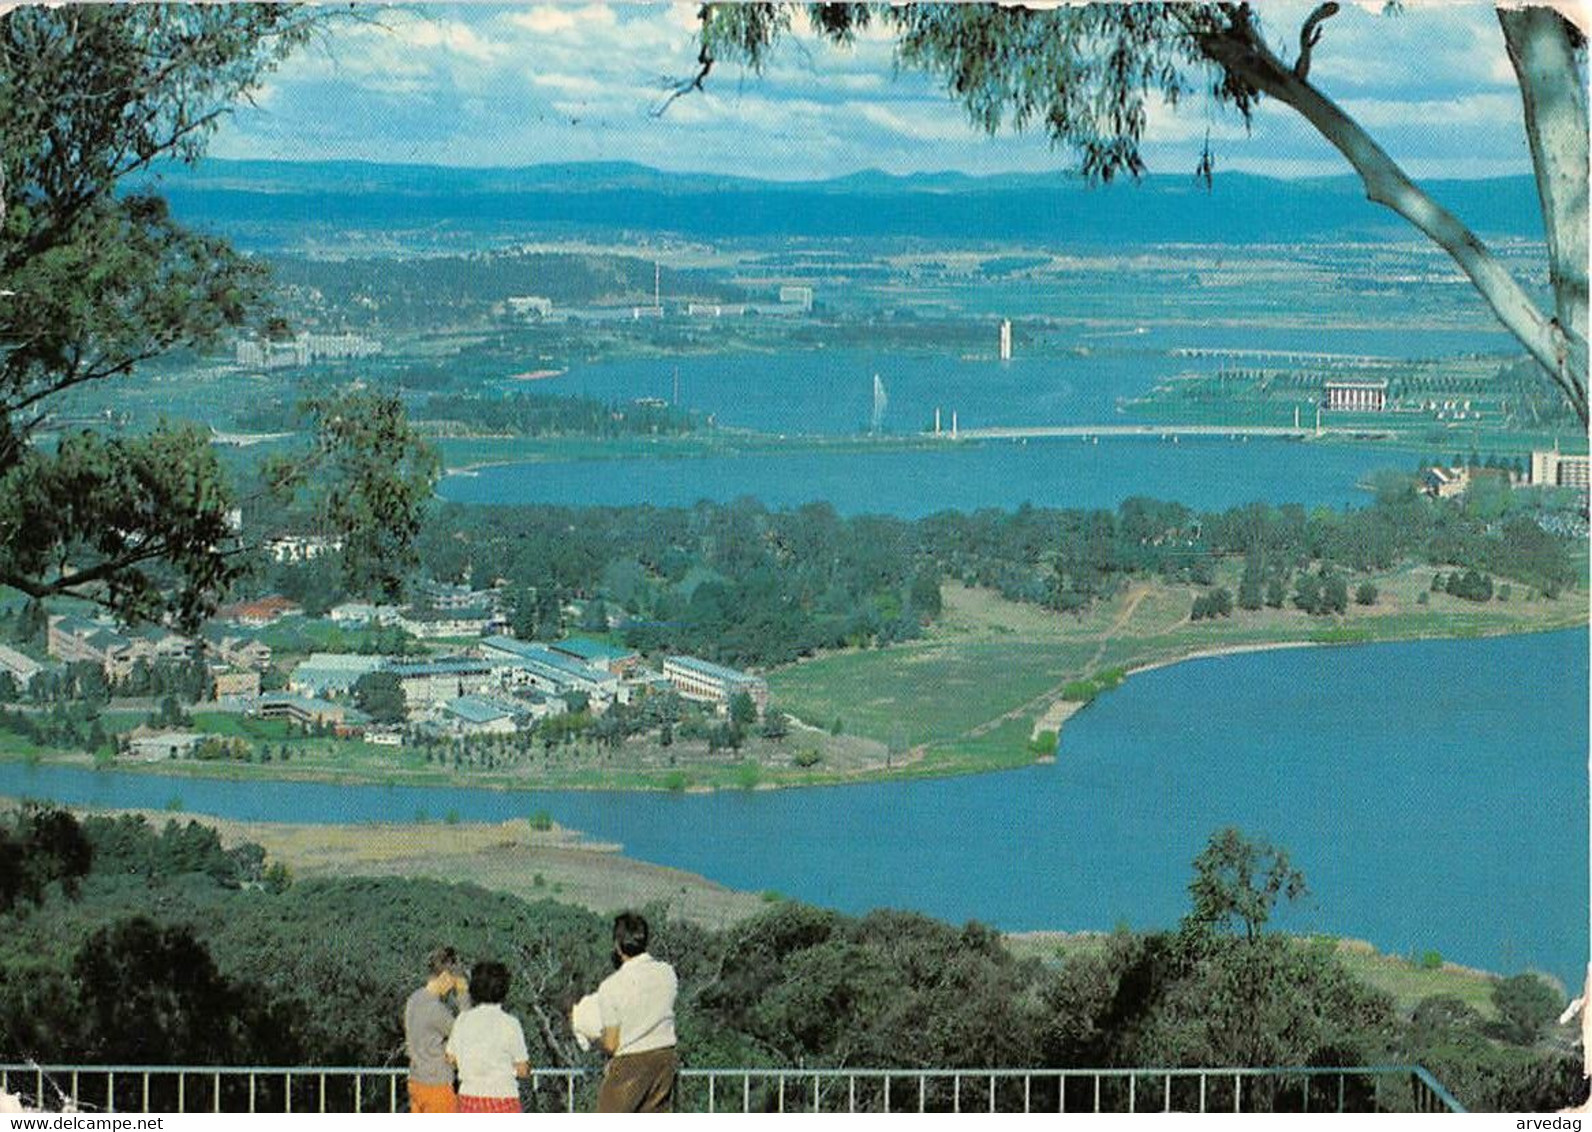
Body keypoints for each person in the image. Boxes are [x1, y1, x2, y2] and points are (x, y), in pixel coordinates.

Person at [571, 912, 678, 1113]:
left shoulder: (611, 986)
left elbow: (611, 1044)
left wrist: (594, 1036)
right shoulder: (668, 973)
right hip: (665, 1060)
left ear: (617, 946)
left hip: (631, 1064)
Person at [446, 960, 530, 1113]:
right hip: (503, 1097)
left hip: (469, 1098)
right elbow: (522, 1068)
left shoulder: (462, 1020)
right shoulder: (510, 1023)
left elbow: (451, 1058)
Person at [403, 946, 468, 1113]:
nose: (453, 985)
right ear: (445, 976)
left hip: (416, 1082)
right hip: (437, 1087)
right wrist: (462, 994)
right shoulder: (435, 1009)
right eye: (453, 979)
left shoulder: (414, 999)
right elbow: (467, 1031)